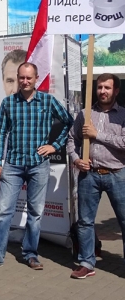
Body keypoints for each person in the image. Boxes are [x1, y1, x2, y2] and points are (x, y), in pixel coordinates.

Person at [0, 62, 74, 270]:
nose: (25, 81)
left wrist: (54, 146)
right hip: (13, 165)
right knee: (3, 212)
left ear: (36, 78)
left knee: (35, 214)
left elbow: (68, 122)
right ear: (18, 78)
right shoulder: (8, 103)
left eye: (29, 78)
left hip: (39, 165)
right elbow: (0, 134)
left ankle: (30, 254)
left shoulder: (47, 101)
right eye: (22, 78)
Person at [67, 73, 125, 279]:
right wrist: (76, 160)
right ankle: (86, 262)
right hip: (88, 175)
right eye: (100, 87)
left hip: (117, 174)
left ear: (116, 91)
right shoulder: (85, 114)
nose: (102, 91)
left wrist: (97, 135)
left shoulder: (123, 115)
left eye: (107, 88)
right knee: (85, 222)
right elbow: (71, 140)